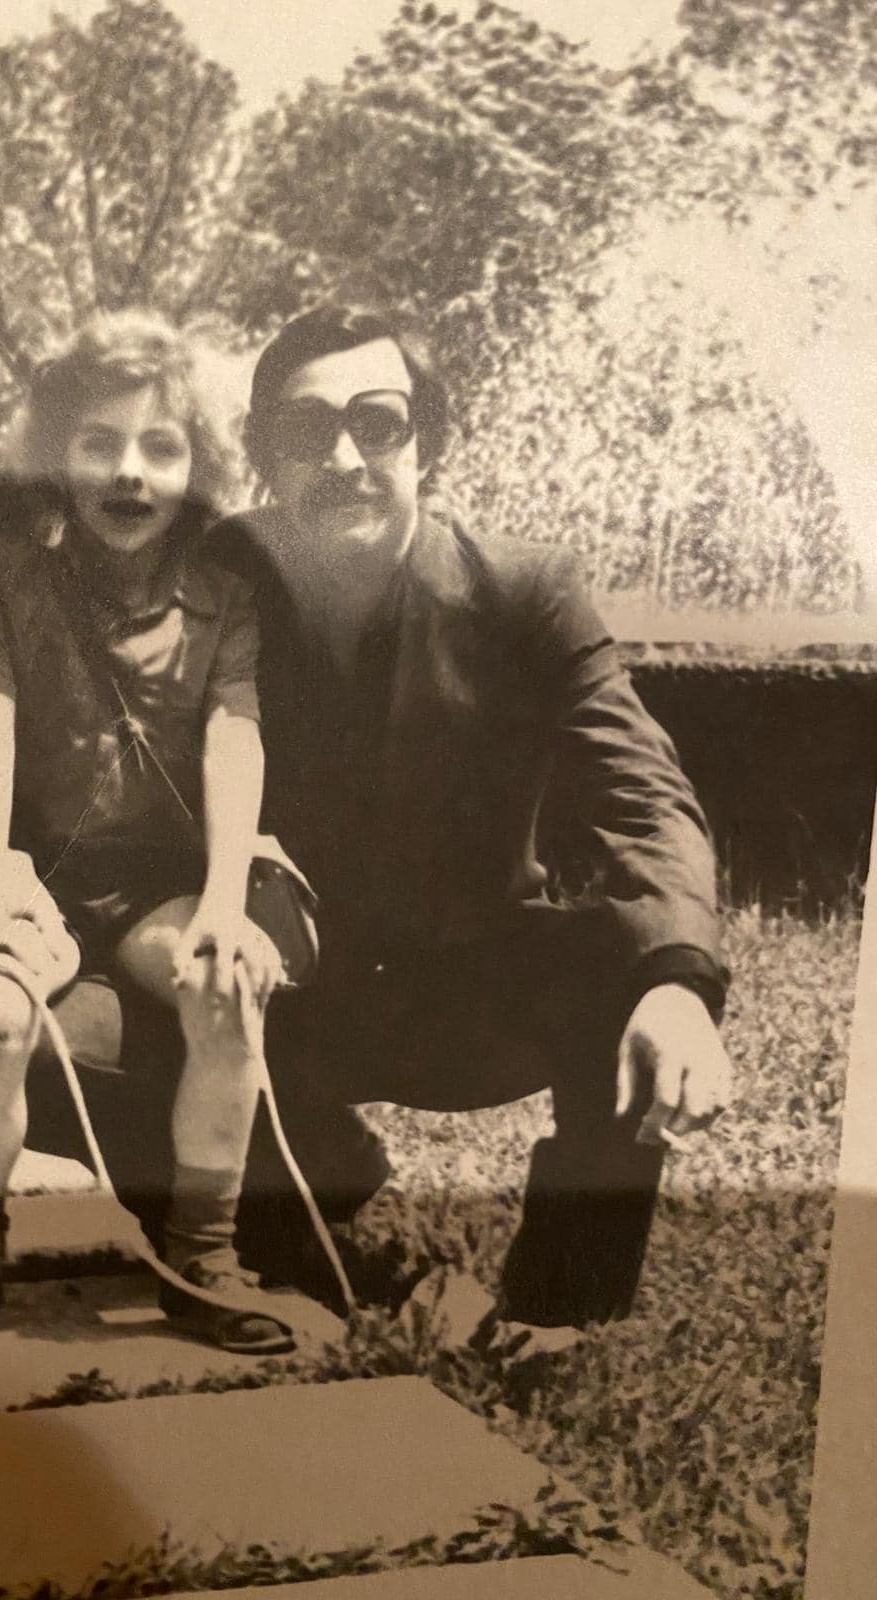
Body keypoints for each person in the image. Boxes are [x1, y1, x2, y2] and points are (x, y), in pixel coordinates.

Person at [197, 302, 733, 1334]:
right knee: (80, 1034)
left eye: (378, 422)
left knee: (631, 969)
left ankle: (562, 1312)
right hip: (286, 992)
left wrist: (676, 981)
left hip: (474, 985)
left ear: (427, 443)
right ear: (265, 456)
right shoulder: (220, 578)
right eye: (307, 430)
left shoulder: (524, 589)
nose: (345, 458)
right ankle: (311, 1178)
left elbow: (642, 793)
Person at [0, 309, 308, 1361]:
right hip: (43, 875)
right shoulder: (7, 576)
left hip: (168, 886)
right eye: (99, 442)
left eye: (161, 447)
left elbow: (235, 740)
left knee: (224, 986)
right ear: (55, 455)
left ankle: (203, 1257)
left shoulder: (225, 595)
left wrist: (222, 904)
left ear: (197, 466)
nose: (129, 472)